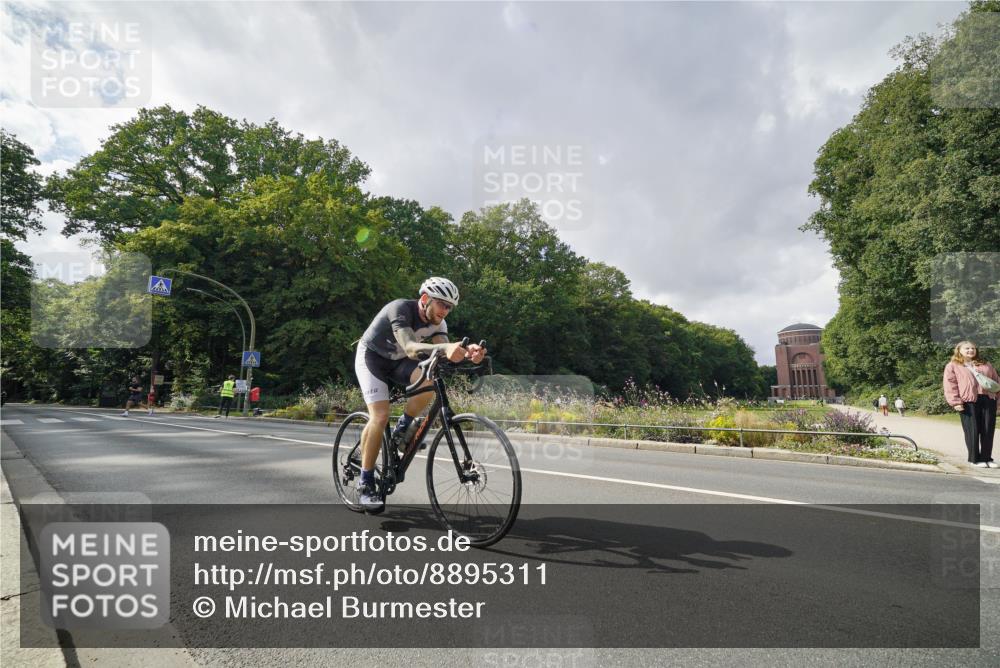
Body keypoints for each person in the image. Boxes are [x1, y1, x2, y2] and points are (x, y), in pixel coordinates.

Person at [354, 277, 486, 512]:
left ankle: (401, 430)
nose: (446, 311)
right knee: (380, 416)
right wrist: (446, 348)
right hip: (372, 359)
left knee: (430, 380)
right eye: (442, 304)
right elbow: (411, 348)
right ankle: (365, 483)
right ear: (425, 299)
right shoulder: (399, 309)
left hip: (397, 363)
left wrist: (467, 352)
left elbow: (444, 351)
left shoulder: (439, 324)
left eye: (450, 307)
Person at [943, 341, 999, 468]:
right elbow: (950, 385)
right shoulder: (953, 366)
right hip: (968, 402)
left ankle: (987, 458)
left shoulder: (986, 364)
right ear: (959, 350)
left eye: (973, 348)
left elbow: (996, 383)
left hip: (988, 399)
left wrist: (998, 402)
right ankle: (974, 459)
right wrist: (956, 402)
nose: (970, 350)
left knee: (987, 430)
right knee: (972, 430)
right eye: (967, 348)